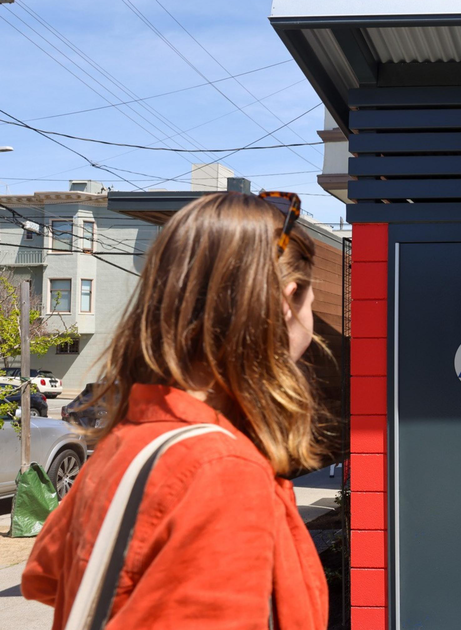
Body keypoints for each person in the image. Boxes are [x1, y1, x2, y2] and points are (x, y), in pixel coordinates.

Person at [21, 192, 329, 630]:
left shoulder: (127, 442)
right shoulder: (222, 472)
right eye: (312, 306)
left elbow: (46, 575)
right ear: (286, 299)